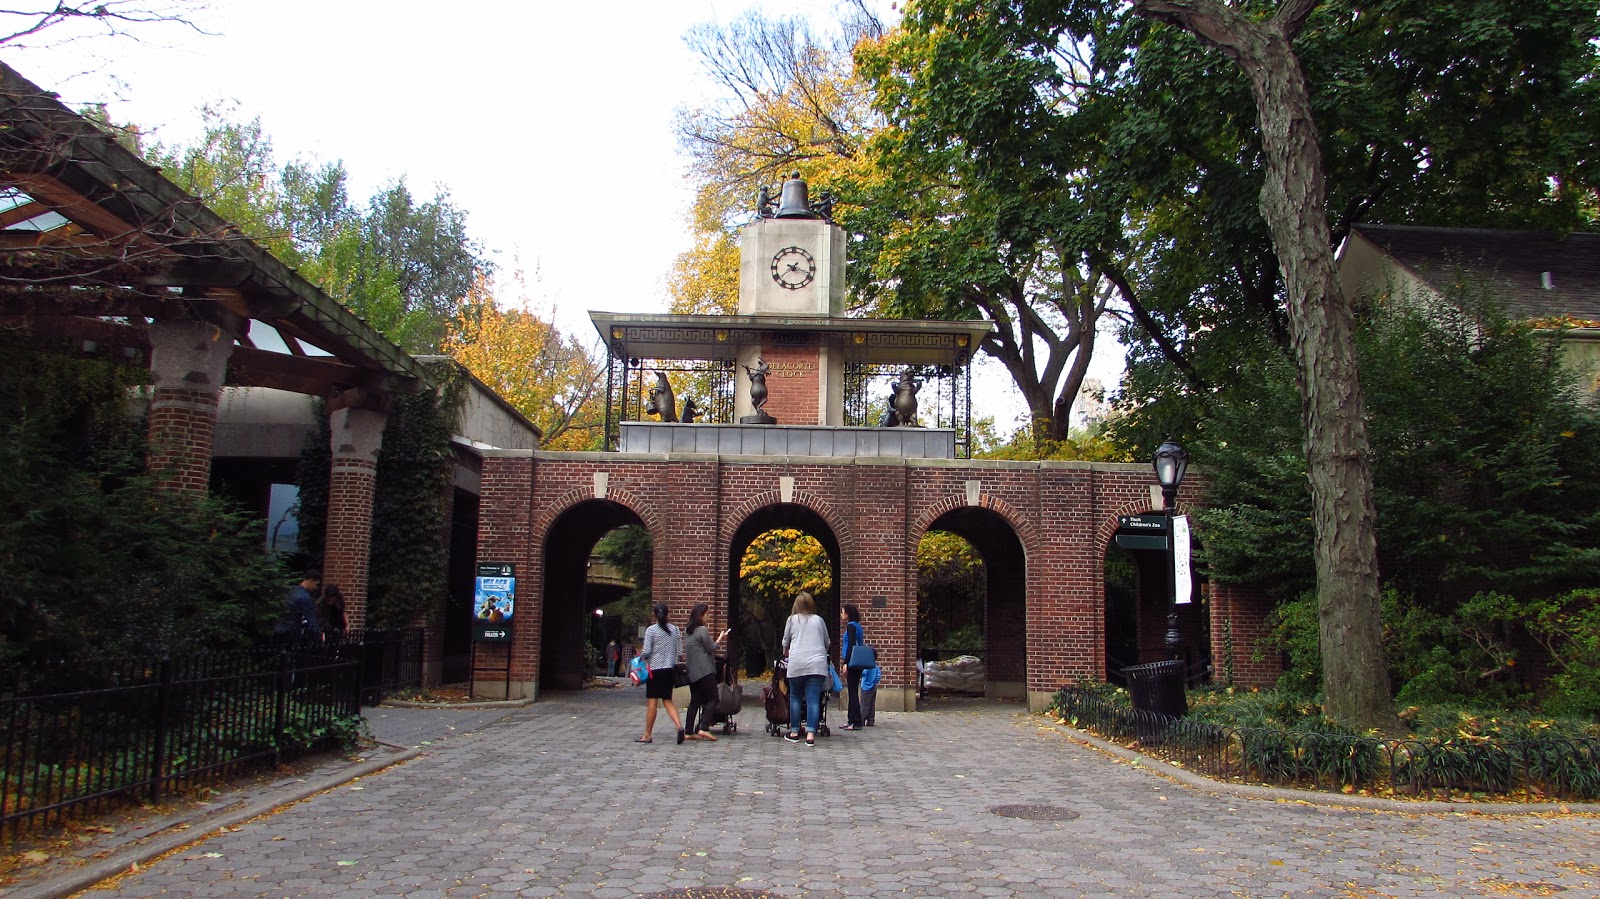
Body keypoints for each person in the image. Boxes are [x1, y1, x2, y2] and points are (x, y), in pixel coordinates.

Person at [780, 591, 830, 747]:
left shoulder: (792, 620)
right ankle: (810, 735)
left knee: (795, 697)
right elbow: (826, 642)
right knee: (813, 699)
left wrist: (786, 652)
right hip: (817, 664)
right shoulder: (819, 620)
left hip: (797, 664)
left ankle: (794, 732)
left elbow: (785, 642)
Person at [636, 603, 687, 745]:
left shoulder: (651, 630)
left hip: (655, 670)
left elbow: (646, 652)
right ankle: (679, 726)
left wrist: (642, 659)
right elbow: (679, 653)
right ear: (668, 614)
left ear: (654, 615)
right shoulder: (675, 630)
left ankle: (647, 735)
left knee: (652, 701)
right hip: (669, 670)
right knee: (667, 700)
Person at [683, 603, 730, 741]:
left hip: (692, 672)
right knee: (713, 698)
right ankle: (704, 727)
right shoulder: (702, 630)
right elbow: (710, 648)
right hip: (705, 670)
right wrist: (720, 638)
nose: (708, 617)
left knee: (695, 700)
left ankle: (688, 730)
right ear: (700, 616)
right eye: (706, 614)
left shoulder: (688, 630)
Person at [840, 603, 867, 731]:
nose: (841, 614)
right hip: (856, 663)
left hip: (852, 662)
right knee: (852, 691)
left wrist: (846, 662)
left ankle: (856, 722)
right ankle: (851, 719)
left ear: (848, 614)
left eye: (843, 612)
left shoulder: (851, 626)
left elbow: (850, 645)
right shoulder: (858, 626)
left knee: (852, 692)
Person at [277, 569, 322, 641]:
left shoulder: (291, 590)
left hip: (278, 629)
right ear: (311, 580)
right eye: (316, 584)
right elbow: (312, 622)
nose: (316, 588)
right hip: (291, 633)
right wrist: (319, 638)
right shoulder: (305, 598)